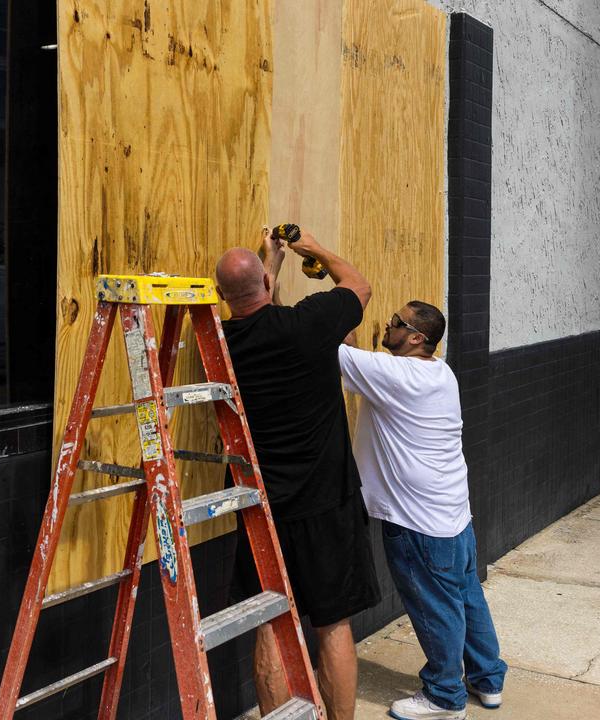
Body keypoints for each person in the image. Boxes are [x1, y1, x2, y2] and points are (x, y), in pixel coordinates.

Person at [215, 230, 380, 720]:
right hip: (326, 502)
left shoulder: (221, 345)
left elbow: (260, 319)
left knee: (269, 622)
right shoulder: (309, 326)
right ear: (267, 282)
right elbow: (359, 287)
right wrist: (317, 251)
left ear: (223, 297)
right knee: (332, 624)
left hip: (259, 507)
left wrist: (270, 262)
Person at [338, 302, 506, 720]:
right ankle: (487, 680)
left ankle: (445, 697)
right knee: (466, 596)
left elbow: (327, 350)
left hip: (417, 523)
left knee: (435, 607)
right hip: (453, 515)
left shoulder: (396, 376)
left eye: (396, 322)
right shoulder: (438, 371)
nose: (387, 324)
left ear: (415, 337)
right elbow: (357, 360)